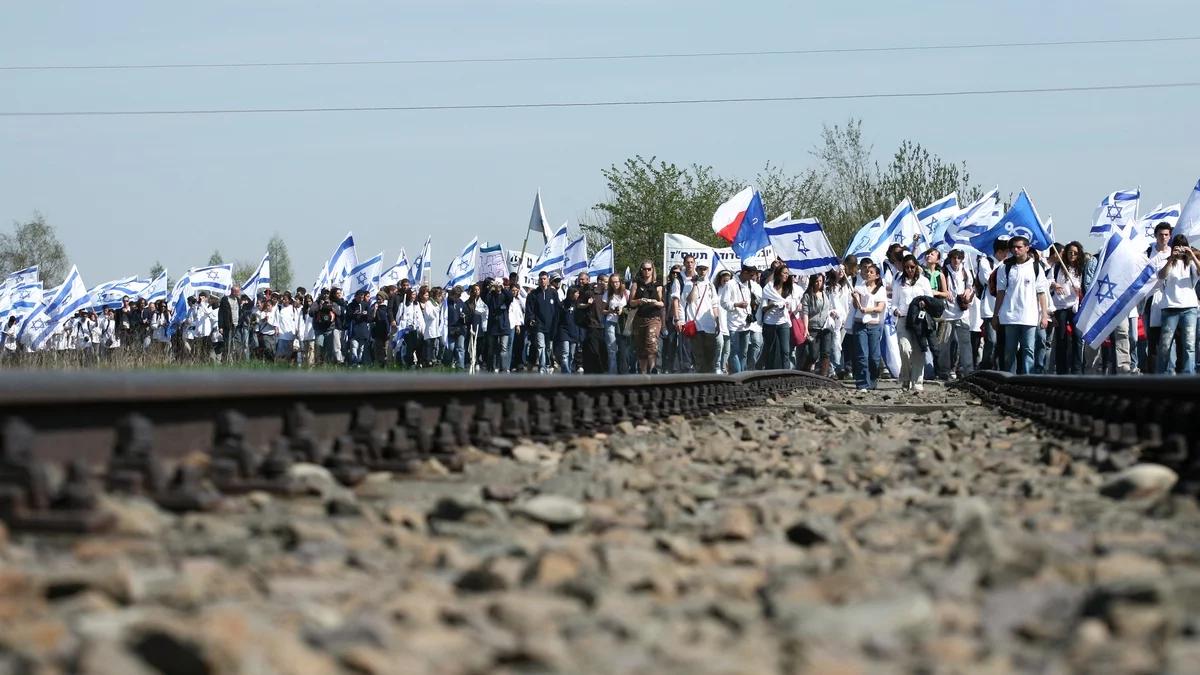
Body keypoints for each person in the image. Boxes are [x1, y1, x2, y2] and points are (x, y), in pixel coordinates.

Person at [993, 235, 1050, 375]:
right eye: (1013, 247)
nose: (1016, 250)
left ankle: (1027, 380)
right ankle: (1009, 379)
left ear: (1027, 248)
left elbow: (1041, 293)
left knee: (1028, 350)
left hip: (1029, 317)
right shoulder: (1005, 267)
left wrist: (1044, 315)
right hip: (1010, 316)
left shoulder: (1036, 267)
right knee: (1009, 351)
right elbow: (1000, 293)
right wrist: (996, 315)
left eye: (1019, 247)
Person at [1156, 234, 1199, 375]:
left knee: (1189, 344)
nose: (1180, 250)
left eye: (1183, 246)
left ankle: (1188, 375)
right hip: (1170, 307)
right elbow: (1161, 275)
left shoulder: (1190, 263)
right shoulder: (1166, 261)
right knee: (1165, 345)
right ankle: (1162, 375)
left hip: (1189, 308)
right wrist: (1171, 259)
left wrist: (1191, 254)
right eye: (1177, 246)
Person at [892, 254, 933, 390]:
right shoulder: (899, 282)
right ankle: (905, 377)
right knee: (905, 348)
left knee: (918, 351)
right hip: (904, 319)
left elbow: (930, 300)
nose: (909, 270)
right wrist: (895, 310)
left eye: (912, 267)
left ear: (916, 267)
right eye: (906, 267)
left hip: (919, 320)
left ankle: (917, 381)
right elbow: (894, 303)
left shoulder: (924, 281)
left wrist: (924, 303)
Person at [937, 248, 977, 379]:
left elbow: (971, 286)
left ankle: (968, 371)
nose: (956, 260)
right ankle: (944, 371)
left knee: (965, 344)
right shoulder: (943, 271)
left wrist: (968, 290)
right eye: (954, 257)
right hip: (947, 313)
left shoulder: (965, 271)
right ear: (950, 258)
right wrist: (944, 293)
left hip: (962, 313)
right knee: (945, 344)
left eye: (959, 258)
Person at [1049, 241, 1084, 374]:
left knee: (1077, 337)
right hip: (1061, 306)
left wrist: (1080, 290)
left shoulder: (1082, 268)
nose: (1072, 255)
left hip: (1075, 307)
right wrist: (1055, 285)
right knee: (1061, 338)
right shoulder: (1057, 267)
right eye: (1070, 252)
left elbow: (1086, 285)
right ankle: (1061, 370)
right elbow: (1048, 280)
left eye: (1075, 253)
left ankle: (1077, 369)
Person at [629, 260, 664, 374]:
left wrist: (654, 302)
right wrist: (639, 301)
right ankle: (643, 373)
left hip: (653, 317)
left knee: (651, 343)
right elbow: (631, 302)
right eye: (644, 269)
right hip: (639, 318)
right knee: (641, 347)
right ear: (641, 270)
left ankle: (653, 369)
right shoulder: (636, 283)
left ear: (652, 270)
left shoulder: (657, 284)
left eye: (649, 269)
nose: (647, 271)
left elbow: (662, 303)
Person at [684, 263, 719, 373]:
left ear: (707, 270)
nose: (702, 271)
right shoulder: (689, 284)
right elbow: (690, 300)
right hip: (697, 325)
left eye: (704, 269)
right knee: (698, 356)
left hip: (709, 325)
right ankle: (700, 379)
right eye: (700, 269)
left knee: (710, 355)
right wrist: (695, 285)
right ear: (697, 269)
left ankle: (709, 379)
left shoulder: (710, 285)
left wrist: (718, 322)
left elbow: (715, 305)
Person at [800, 273, 836, 376]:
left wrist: (832, 312)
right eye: (816, 281)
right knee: (814, 354)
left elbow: (828, 307)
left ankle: (823, 375)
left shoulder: (825, 293)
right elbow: (805, 313)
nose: (818, 283)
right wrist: (806, 328)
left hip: (826, 326)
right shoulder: (807, 296)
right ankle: (805, 370)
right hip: (813, 327)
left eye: (820, 281)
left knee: (826, 352)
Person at [760, 265, 795, 370]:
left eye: (787, 273)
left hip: (783, 321)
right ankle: (769, 372)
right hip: (770, 322)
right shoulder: (768, 288)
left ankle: (786, 373)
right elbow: (763, 308)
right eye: (784, 273)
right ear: (778, 273)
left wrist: (788, 305)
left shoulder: (788, 288)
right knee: (770, 349)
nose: (786, 275)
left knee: (785, 350)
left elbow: (791, 306)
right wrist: (773, 305)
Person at [602, 276, 629, 373]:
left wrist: (623, 310)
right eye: (612, 282)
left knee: (624, 349)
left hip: (623, 323)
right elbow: (602, 310)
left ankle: (624, 371)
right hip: (611, 322)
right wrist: (610, 310)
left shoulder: (627, 293)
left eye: (617, 282)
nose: (615, 284)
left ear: (620, 282)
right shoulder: (608, 293)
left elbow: (631, 308)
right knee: (612, 349)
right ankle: (612, 373)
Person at [218, 285, 242, 362]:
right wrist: (220, 326)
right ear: (233, 291)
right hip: (228, 326)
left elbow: (239, 312)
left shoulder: (238, 300)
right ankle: (226, 360)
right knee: (228, 344)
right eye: (238, 292)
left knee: (236, 343)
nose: (239, 293)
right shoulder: (225, 300)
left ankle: (234, 360)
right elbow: (220, 313)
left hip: (236, 325)